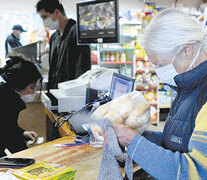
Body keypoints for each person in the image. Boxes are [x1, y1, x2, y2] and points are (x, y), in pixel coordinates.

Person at [101, 9, 207, 179]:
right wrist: (140, 136)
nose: (156, 70)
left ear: (187, 50)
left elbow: (196, 172)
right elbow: (175, 144)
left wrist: (134, 142)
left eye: (160, 64)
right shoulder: (186, 87)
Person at [36, 0, 91, 90]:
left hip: (71, 94)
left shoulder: (77, 32)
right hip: (56, 92)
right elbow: (53, 70)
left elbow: (82, 67)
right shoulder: (54, 37)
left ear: (56, 12)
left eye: (45, 17)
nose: (44, 21)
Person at [0, 55, 43, 157]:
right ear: (18, 86)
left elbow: (7, 127)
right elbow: (9, 138)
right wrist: (28, 159)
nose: (34, 92)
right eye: (31, 88)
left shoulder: (6, 92)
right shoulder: (8, 100)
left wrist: (23, 133)